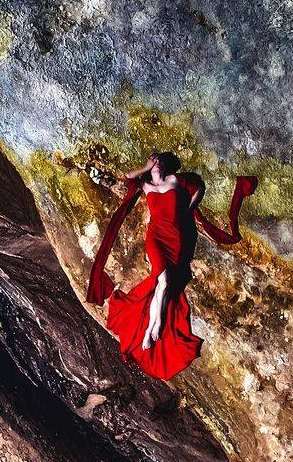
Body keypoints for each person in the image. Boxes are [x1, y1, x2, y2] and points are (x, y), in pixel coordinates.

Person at [85, 150, 257, 381]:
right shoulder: (145, 184)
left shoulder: (177, 180)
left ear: (166, 166)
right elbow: (128, 177)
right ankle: (152, 329)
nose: (157, 166)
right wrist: (145, 167)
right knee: (164, 281)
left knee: (162, 284)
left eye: (159, 163)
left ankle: (153, 328)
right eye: (154, 163)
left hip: (175, 237)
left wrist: (189, 208)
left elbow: (200, 186)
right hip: (155, 237)